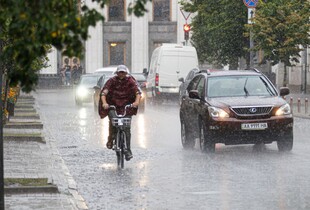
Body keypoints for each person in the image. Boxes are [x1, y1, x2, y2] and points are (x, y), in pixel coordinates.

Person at [98, 65, 141, 161]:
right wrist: (105, 103)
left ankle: (128, 150)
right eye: (120, 72)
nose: (121, 74)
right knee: (113, 123)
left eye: (123, 72)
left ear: (126, 73)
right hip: (113, 106)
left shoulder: (130, 81)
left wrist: (136, 102)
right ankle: (110, 139)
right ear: (117, 73)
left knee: (126, 128)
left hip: (127, 107)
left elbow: (137, 93)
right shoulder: (111, 81)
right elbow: (104, 93)